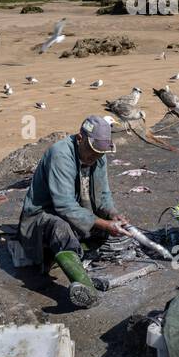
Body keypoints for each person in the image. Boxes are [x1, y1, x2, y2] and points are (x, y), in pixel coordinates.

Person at [17, 115, 126, 308]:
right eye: (92, 151)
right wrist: (103, 224)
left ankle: (69, 253)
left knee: (104, 230)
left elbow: (103, 194)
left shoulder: (99, 157)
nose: (95, 157)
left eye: (100, 153)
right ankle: (85, 289)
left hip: (76, 212)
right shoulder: (60, 154)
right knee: (61, 229)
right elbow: (64, 205)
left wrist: (112, 214)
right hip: (42, 216)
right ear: (79, 138)